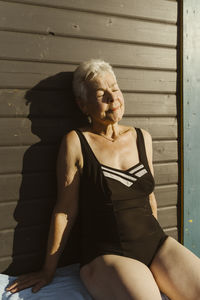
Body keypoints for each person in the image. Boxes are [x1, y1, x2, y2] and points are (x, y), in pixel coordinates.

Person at [7, 59, 200, 300]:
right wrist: (48, 270)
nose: (112, 97)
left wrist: (156, 265)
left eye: (115, 88)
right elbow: (65, 211)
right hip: (108, 254)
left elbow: (149, 197)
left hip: (154, 244)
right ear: (83, 105)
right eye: (101, 94)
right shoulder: (76, 142)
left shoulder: (142, 137)